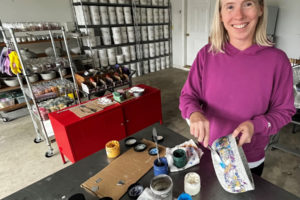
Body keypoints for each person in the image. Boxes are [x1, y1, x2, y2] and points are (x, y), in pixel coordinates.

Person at [179, 0, 296, 176]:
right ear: (220, 14)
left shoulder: (277, 60)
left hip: (249, 158)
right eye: (230, 6)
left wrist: (256, 125)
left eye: (247, 4)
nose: (239, 15)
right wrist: (194, 113)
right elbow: (188, 96)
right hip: (209, 150)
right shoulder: (206, 54)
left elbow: (284, 111)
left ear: (260, 9)